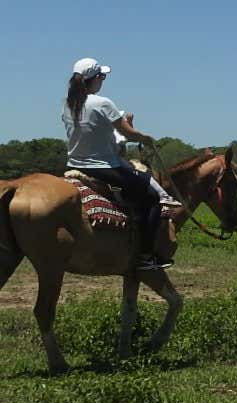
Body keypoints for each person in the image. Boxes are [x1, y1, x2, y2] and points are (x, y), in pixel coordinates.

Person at [62, 58, 171, 270]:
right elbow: (126, 133)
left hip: (75, 163)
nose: (103, 81)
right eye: (102, 77)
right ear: (94, 79)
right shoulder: (102, 103)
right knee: (151, 197)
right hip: (104, 166)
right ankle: (145, 256)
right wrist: (144, 137)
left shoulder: (68, 103)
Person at [113, 111, 181, 207]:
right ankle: (162, 195)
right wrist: (145, 139)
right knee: (142, 171)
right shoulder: (115, 131)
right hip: (114, 160)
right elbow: (131, 135)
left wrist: (130, 123)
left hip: (112, 158)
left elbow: (130, 134)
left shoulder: (108, 128)